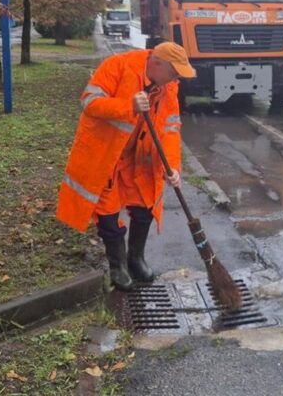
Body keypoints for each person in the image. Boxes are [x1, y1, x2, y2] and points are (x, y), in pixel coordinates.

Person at [56, 42, 196, 290]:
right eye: (173, 72)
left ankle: (136, 258)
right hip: (106, 155)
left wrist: (172, 167)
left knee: (145, 206)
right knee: (108, 217)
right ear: (156, 64)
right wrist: (128, 106)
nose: (175, 79)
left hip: (139, 158)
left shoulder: (168, 85)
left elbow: (171, 127)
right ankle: (118, 266)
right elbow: (89, 102)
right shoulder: (117, 66)